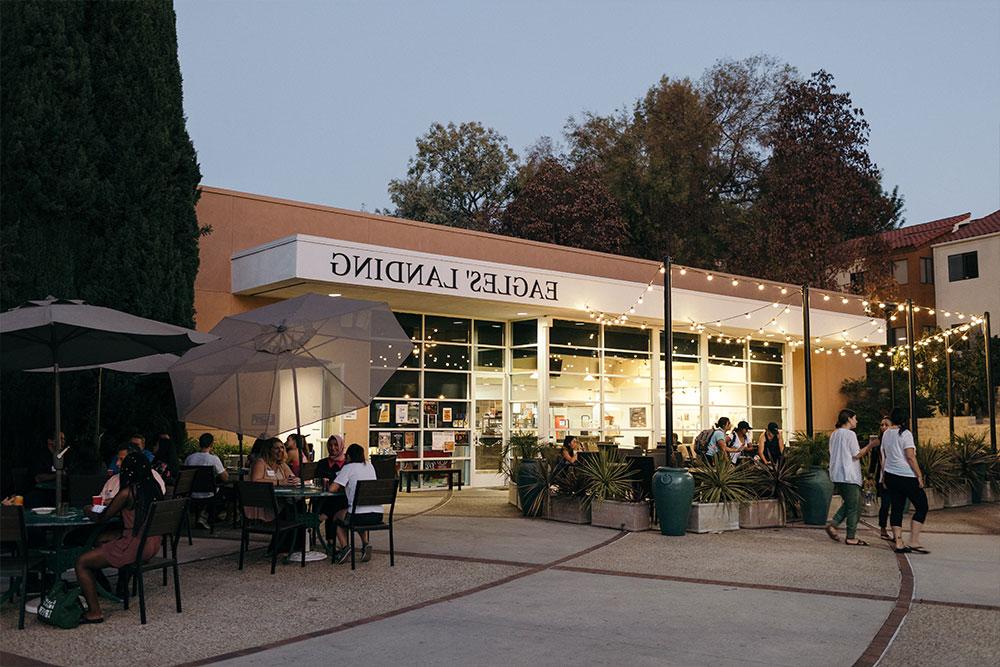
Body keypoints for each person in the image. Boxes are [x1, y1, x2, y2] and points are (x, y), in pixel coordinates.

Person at [75, 452, 164, 623]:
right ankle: (109, 587)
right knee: (102, 539)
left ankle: (94, 612)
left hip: (135, 545)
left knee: (82, 561)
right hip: (152, 543)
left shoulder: (127, 492)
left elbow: (102, 517)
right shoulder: (154, 487)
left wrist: (88, 509)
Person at [881, 408, 930, 554]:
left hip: (890, 475)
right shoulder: (906, 434)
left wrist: (883, 476)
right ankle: (914, 541)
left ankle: (899, 541)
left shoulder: (886, 434)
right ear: (904, 419)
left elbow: (884, 456)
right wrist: (919, 475)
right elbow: (910, 456)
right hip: (906, 475)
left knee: (897, 507)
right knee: (922, 506)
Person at [826, 409, 877, 547]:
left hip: (837, 474)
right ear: (849, 419)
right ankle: (850, 536)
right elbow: (857, 454)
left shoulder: (834, 434)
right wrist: (871, 445)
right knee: (854, 506)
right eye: (855, 418)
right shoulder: (850, 434)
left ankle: (834, 525)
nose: (856, 421)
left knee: (853, 503)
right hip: (849, 474)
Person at [328, 444, 381, 564]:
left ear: (349, 457)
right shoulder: (369, 466)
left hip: (358, 516)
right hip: (377, 515)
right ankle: (365, 544)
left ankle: (345, 547)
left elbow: (332, 489)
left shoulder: (348, 467)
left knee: (337, 516)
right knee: (358, 514)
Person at [183, 433, 229, 529]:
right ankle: (207, 515)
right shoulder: (214, 459)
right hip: (209, 494)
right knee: (226, 491)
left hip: (192, 492)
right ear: (212, 444)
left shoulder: (190, 458)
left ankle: (203, 516)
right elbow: (225, 478)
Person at [316, 435, 349, 541]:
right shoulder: (322, 463)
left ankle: (325, 515)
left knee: (338, 502)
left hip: (343, 499)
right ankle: (331, 541)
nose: (332, 448)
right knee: (332, 501)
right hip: (324, 497)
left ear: (342, 446)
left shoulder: (348, 464)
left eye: (336, 445)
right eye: (330, 445)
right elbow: (317, 478)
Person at [868, 416, 893, 541]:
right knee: (885, 504)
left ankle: (895, 530)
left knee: (895, 505)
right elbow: (873, 462)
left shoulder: (896, 440)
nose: (883, 427)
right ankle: (883, 529)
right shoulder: (878, 442)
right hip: (882, 478)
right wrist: (870, 475)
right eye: (882, 425)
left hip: (896, 476)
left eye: (886, 425)